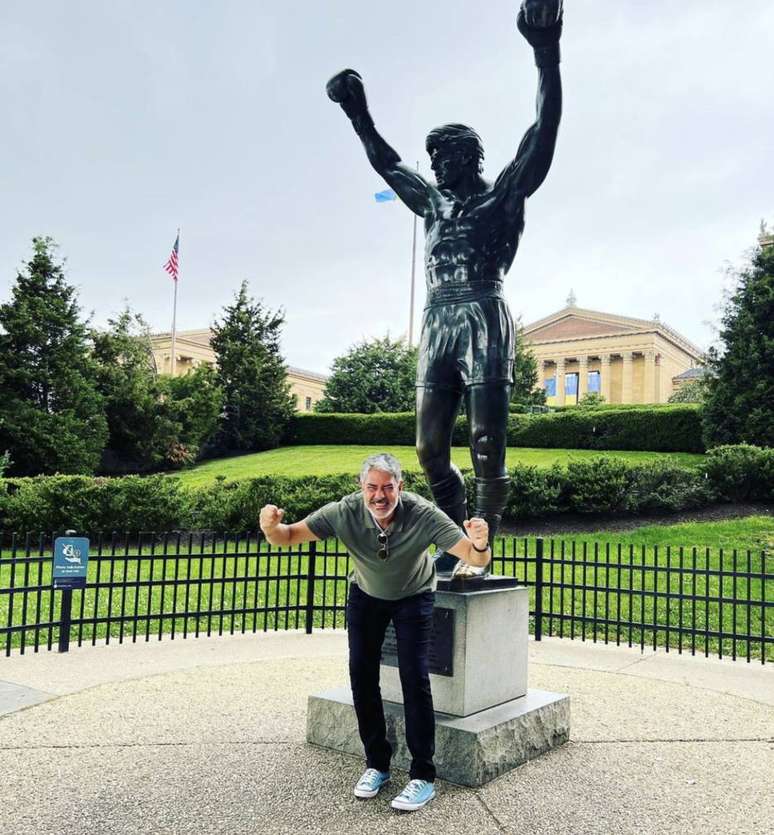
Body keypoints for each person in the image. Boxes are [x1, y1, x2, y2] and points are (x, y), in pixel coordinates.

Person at [326, 1, 563, 573]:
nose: (432, 165)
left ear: (467, 155)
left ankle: (478, 554)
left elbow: (544, 128)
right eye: (430, 156)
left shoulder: (502, 194)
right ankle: (458, 538)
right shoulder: (432, 203)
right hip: (438, 319)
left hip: (483, 307)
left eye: (442, 156)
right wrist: (359, 114)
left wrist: (545, 52)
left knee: (486, 445)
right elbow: (388, 165)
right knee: (430, 449)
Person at [259, 452, 491, 812]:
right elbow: (286, 537)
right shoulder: (344, 511)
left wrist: (478, 543)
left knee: (414, 678)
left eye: (387, 487)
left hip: (414, 597)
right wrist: (270, 528)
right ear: (361, 488)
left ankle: (422, 776)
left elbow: (475, 559)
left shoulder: (423, 514)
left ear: (401, 486)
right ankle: (377, 764)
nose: (379, 496)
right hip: (366, 595)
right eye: (371, 488)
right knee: (361, 676)